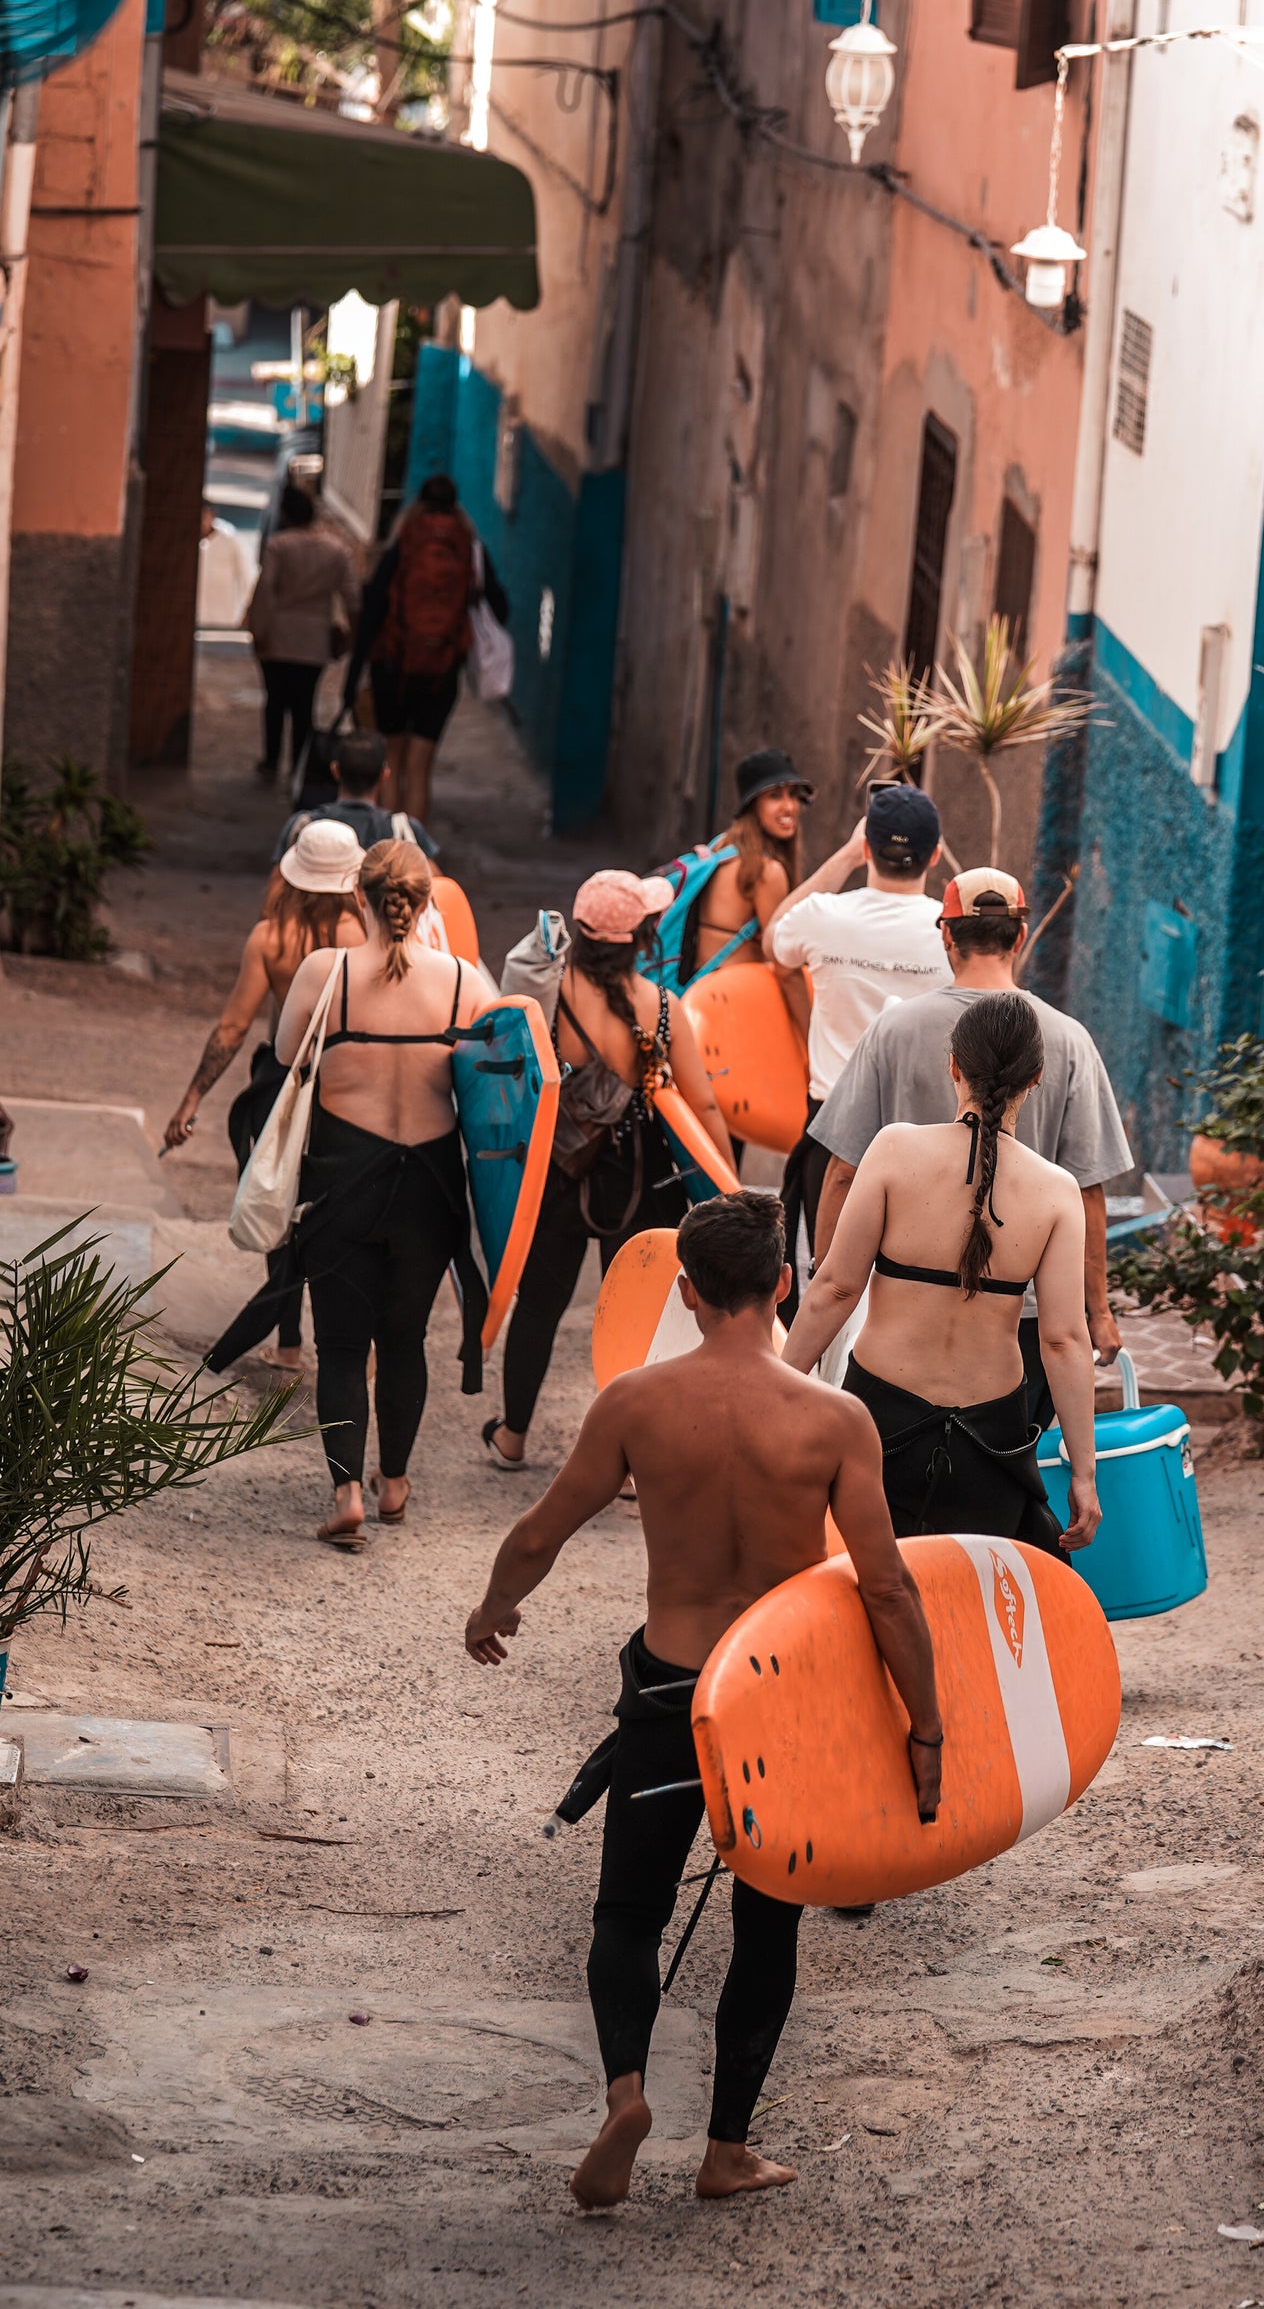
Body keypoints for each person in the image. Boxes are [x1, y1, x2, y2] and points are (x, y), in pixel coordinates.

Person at [463, 1190, 942, 2209]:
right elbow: (886, 1585)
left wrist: (495, 1607)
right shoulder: (834, 1421)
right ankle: (726, 2150)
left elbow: (543, 1529)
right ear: (779, 1286)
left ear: (683, 1291)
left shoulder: (634, 1402)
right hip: (775, 1704)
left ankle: (627, 2092)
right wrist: (925, 1725)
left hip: (669, 1689)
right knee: (768, 1929)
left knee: (627, 1915)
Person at [808, 869, 1133, 1419]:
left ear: (946, 935)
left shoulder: (893, 1030)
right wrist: (1096, 1310)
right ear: (1021, 935)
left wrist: (826, 1278)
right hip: (1020, 1318)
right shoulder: (1070, 1040)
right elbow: (1089, 1195)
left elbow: (841, 1172)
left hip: (896, 1308)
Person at [784, 992, 1100, 1556]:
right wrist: (1084, 1473)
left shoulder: (893, 1150)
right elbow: (1062, 1340)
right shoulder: (1056, 1191)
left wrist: (779, 1392)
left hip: (879, 1418)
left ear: (953, 1066)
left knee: (866, 1592)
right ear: (1037, 1077)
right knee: (980, 1603)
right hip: (993, 1433)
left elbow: (835, 1288)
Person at [276, 835, 498, 1548]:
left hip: (343, 1180)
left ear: (357, 896)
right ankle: (395, 1485)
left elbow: (286, 1055)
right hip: (429, 1188)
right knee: (404, 1341)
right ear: (428, 901)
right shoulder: (465, 982)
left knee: (342, 1345)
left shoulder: (326, 972)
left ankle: (345, 1492)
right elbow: (504, 1080)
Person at [481, 872, 735, 1471]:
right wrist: (728, 1186)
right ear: (642, 936)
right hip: (638, 1179)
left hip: (558, 1173)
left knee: (539, 1306)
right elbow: (700, 1106)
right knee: (636, 1318)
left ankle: (513, 1436)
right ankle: (629, 1466)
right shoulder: (662, 1006)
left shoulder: (546, 995)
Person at [162, 818, 366, 1371]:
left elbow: (232, 1027)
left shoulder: (270, 938)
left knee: (278, 1197)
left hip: (281, 1084)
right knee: (336, 1210)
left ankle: (290, 1342)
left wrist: (191, 1100)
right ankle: (352, 1345)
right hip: (346, 1091)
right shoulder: (366, 938)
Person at [762, 782, 950, 1312]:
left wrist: (845, 854)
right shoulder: (949, 932)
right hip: (924, 1137)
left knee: (823, 1283)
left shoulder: (825, 916)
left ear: (867, 847)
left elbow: (773, 935)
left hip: (831, 1130)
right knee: (902, 1288)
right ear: (933, 855)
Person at [346, 473, 507, 828]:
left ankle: (384, 847)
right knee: (420, 768)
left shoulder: (404, 541)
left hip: (394, 666)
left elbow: (374, 607)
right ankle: (412, 853)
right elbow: (502, 608)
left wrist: (355, 670)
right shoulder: (468, 546)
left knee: (392, 762)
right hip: (442, 670)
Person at [244, 482, 356, 783]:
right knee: (304, 704)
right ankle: (299, 765)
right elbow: (351, 597)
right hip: (314, 638)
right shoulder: (336, 550)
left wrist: (259, 630)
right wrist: (351, 634)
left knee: (275, 701)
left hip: (278, 634)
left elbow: (265, 591)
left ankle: (271, 761)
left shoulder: (279, 546)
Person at [685, 748, 812, 976]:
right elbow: (784, 965)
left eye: (793, 794)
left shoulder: (720, 847)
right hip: (734, 999)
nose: (790, 806)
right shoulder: (764, 871)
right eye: (775, 796)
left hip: (699, 992)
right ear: (752, 805)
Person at [277, 728, 439, 865]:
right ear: (384, 775)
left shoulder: (303, 825)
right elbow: (437, 886)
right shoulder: (405, 830)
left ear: (335, 770)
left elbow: (278, 886)